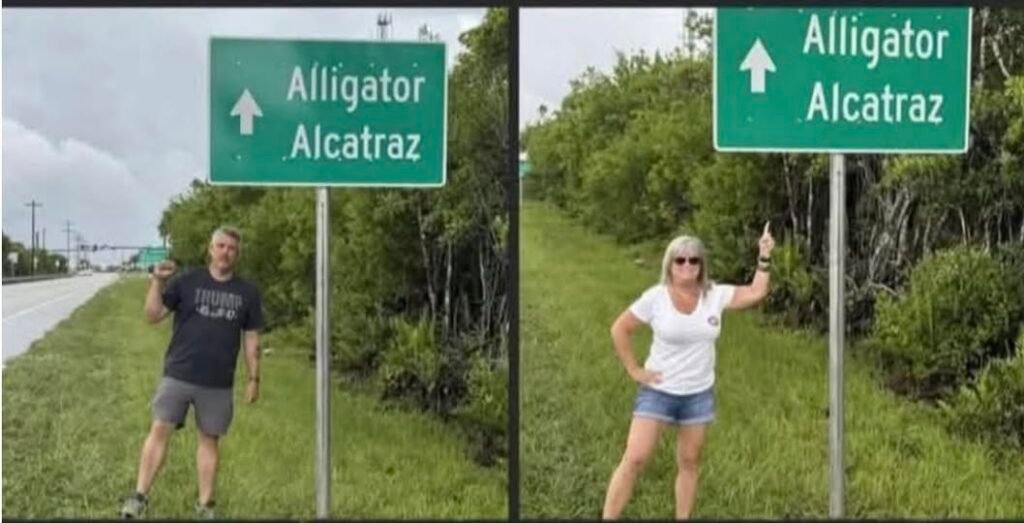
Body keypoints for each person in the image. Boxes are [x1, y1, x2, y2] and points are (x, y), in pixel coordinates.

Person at [601, 222, 775, 520]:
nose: (687, 264)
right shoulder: (655, 297)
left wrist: (764, 256)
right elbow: (620, 328)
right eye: (680, 259)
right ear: (670, 265)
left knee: (690, 461)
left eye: (694, 259)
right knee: (635, 458)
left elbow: (756, 292)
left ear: (701, 265)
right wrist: (634, 369)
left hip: (697, 395)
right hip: (658, 391)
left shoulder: (715, 295)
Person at [120, 226, 264, 519]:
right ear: (210, 249)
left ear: (237, 254)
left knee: (209, 440)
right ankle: (139, 497)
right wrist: (157, 282)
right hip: (179, 373)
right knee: (160, 430)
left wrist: (253, 379)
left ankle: (205, 505)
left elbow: (252, 339)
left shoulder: (247, 292)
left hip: (217, 382)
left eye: (231, 248)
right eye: (220, 246)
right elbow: (153, 315)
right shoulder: (187, 281)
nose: (225, 252)